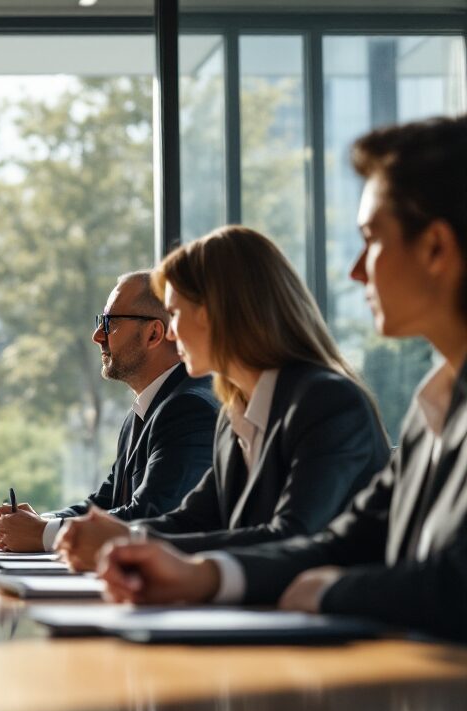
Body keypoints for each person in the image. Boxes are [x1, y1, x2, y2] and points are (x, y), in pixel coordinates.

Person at [96, 115, 467, 642]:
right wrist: (202, 575)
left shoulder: (329, 402)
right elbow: (344, 542)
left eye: (371, 239)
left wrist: (327, 591)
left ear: (434, 249)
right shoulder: (432, 405)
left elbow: (449, 585)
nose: (356, 270)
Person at [56, 226, 390, 571]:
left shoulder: (327, 403)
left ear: (216, 313)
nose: (171, 333)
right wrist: (119, 539)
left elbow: (291, 535)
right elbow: (192, 520)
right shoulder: (236, 414)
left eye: (176, 313)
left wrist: (129, 542)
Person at [0, 270, 217, 552]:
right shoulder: (146, 410)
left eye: (109, 323)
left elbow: (151, 515)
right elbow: (104, 505)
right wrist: (39, 522)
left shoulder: (189, 409)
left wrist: (44, 533)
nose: (97, 336)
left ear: (154, 334)